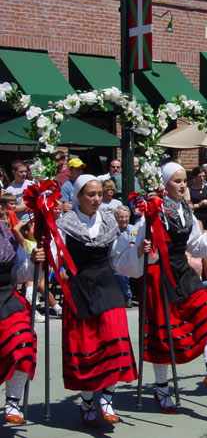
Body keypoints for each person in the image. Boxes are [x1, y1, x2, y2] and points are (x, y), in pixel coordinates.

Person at [125, 162, 207, 414]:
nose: (183, 185)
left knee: (206, 311)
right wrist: (145, 250)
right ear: (165, 184)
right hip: (158, 272)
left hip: (181, 270)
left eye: (184, 180)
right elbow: (140, 242)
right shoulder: (153, 210)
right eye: (177, 180)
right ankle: (161, 389)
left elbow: (195, 244)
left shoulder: (185, 208)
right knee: (163, 336)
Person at [55, 175, 137, 428]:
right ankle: (89, 401)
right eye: (91, 194)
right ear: (79, 196)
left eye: (100, 194)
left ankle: (107, 399)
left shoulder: (109, 221)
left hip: (106, 285)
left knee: (115, 339)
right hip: (79, 288)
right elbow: (55, 257)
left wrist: (138, 253)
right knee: (87, 349)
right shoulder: (63, 224)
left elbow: (118, 257)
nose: (97, 199)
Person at [0, 221, 45, 424]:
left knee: (24, 340)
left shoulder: (5, 233)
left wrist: (34, 262)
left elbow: (18, 273)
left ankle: (12, 401)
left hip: (6, 298)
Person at [114, 206, 136, 308]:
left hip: (132, 259)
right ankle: (125, 296)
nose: (124, 219)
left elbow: (134, 244)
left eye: (126, 217)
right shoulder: (112, 231)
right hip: (116, 259)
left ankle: (127, 296)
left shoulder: (134, 229)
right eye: (121, 217)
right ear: (116, 218)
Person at [189, 166, 207, 231]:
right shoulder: (190, 190)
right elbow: (189, 206)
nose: (202, 178)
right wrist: (199, 205)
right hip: (197, 216)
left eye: (203, 176)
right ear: (194, 177)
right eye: (199, 176)